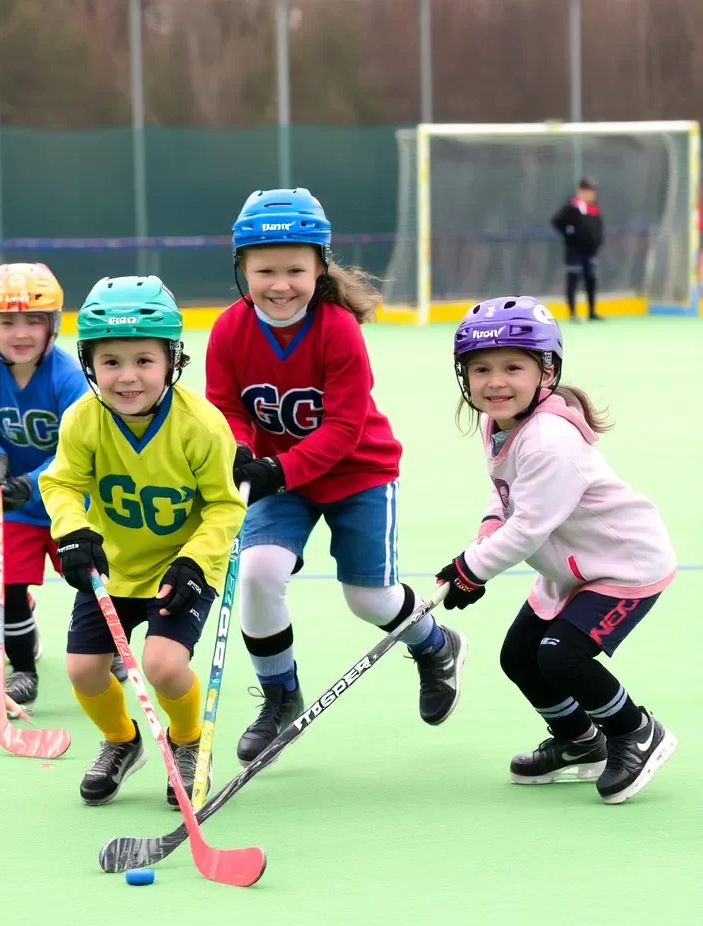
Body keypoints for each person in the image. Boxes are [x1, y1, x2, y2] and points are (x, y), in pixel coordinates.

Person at [205, 187, 465, 766]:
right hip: (279, 481)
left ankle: (436, 644)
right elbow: (226, 406)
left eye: (295, 269)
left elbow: (345, 427)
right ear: (241, 268)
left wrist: (277, 468)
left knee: (368, 599)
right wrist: (242, 451)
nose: (280, 284)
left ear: (320, 268)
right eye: (264, 270)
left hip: (358, 473)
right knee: (257, 575)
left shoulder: (337, 328)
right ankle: (279, 696)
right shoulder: (228, 331)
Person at [437, 295, 677, 804]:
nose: (495, 381)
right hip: (571, 567)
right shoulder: (500, 422)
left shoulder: (549, 440)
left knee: (561, 657)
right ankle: (578, 742)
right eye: (480, 368)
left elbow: (528, 527)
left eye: (512, 367)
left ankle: (635, 731)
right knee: (519, 656)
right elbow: (506, 491)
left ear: (545, 370)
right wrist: (486, 527)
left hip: (622, 567)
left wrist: (470, 569)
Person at [40, 276, 245, 808]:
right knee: (83, 670)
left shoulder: (201, 425)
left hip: (183, 568)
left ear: (172, 360)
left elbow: (225, 506)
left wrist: (195, 562)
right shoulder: (83, 419)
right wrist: (72, 530)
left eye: (143, 360)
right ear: (90, 364)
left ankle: (187, 741)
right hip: (114, 565)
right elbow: (60, 482)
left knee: (162, 665)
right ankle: (122, 743)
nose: (127, 377)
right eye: (111, 362)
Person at [0, 262, 97, 715]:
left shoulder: (67, 377)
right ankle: (23, 673)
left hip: (70, 502)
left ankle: (107, 654)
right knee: (5, 587)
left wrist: (30, 483)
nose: (20, 333)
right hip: (13, 508)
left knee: (92, 582)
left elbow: (78, 449)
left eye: (33, 320)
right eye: (7, 321)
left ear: (52, 324)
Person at [551, 176, 604, 322]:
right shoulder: (572, 207)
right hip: (574, 252)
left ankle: (591, 312)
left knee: (591, 281)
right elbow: (557, 221)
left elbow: (598, 228)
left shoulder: (593, 209)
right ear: (580, 191)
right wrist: (570, 234)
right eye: (588, 190)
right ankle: (572, 312)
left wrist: (597, 242)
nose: (591, 194)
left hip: (590, 252)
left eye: (593, 191)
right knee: (573, 280)